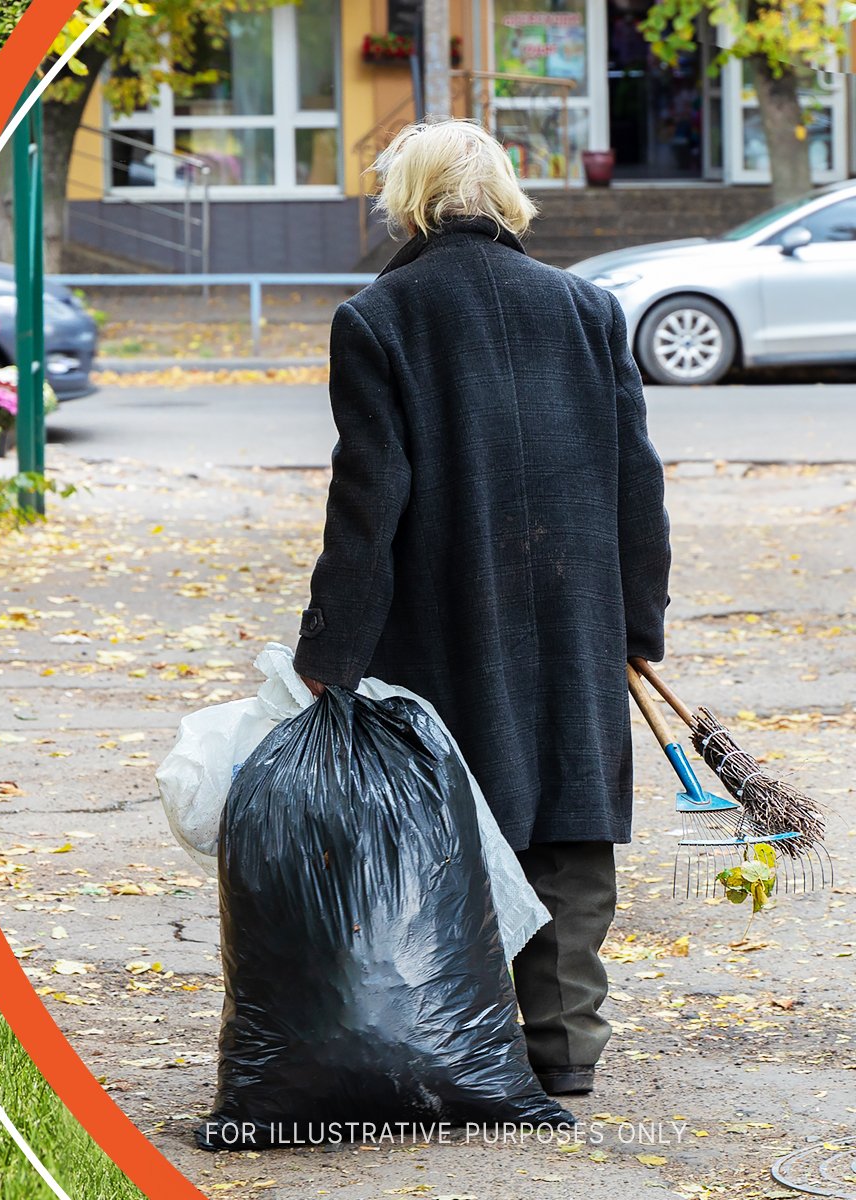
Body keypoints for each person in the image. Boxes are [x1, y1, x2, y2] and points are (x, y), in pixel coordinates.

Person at [291, 118, 671, 1099]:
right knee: (570, 831)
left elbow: (367, 506)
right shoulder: (590, 311)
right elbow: (639, 482)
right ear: (507, 194)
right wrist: (636, 626)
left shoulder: (378, 318)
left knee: (452, 831)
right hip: (577, 620)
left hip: (446, 624)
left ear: (407, 198)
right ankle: (567, 1049)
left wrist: (329, 654)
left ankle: (452, 1046)